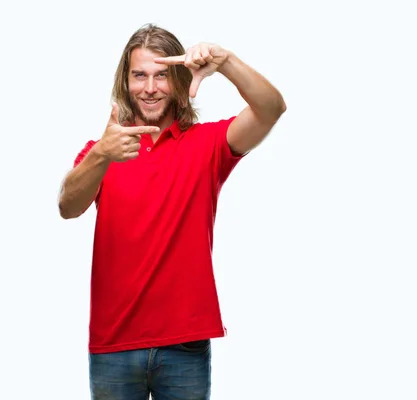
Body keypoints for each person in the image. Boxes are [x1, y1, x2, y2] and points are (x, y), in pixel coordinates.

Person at [58, 23, 286, 400]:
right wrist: (101, 154)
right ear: (125, 82)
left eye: (162, 75)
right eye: (140, 76)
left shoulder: (208, 144)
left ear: (179, 79)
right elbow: (68, 207)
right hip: (114, 346)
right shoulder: (103, 150)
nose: (150, 88)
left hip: (185, 348)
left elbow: (271, 108)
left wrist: (225, 61)